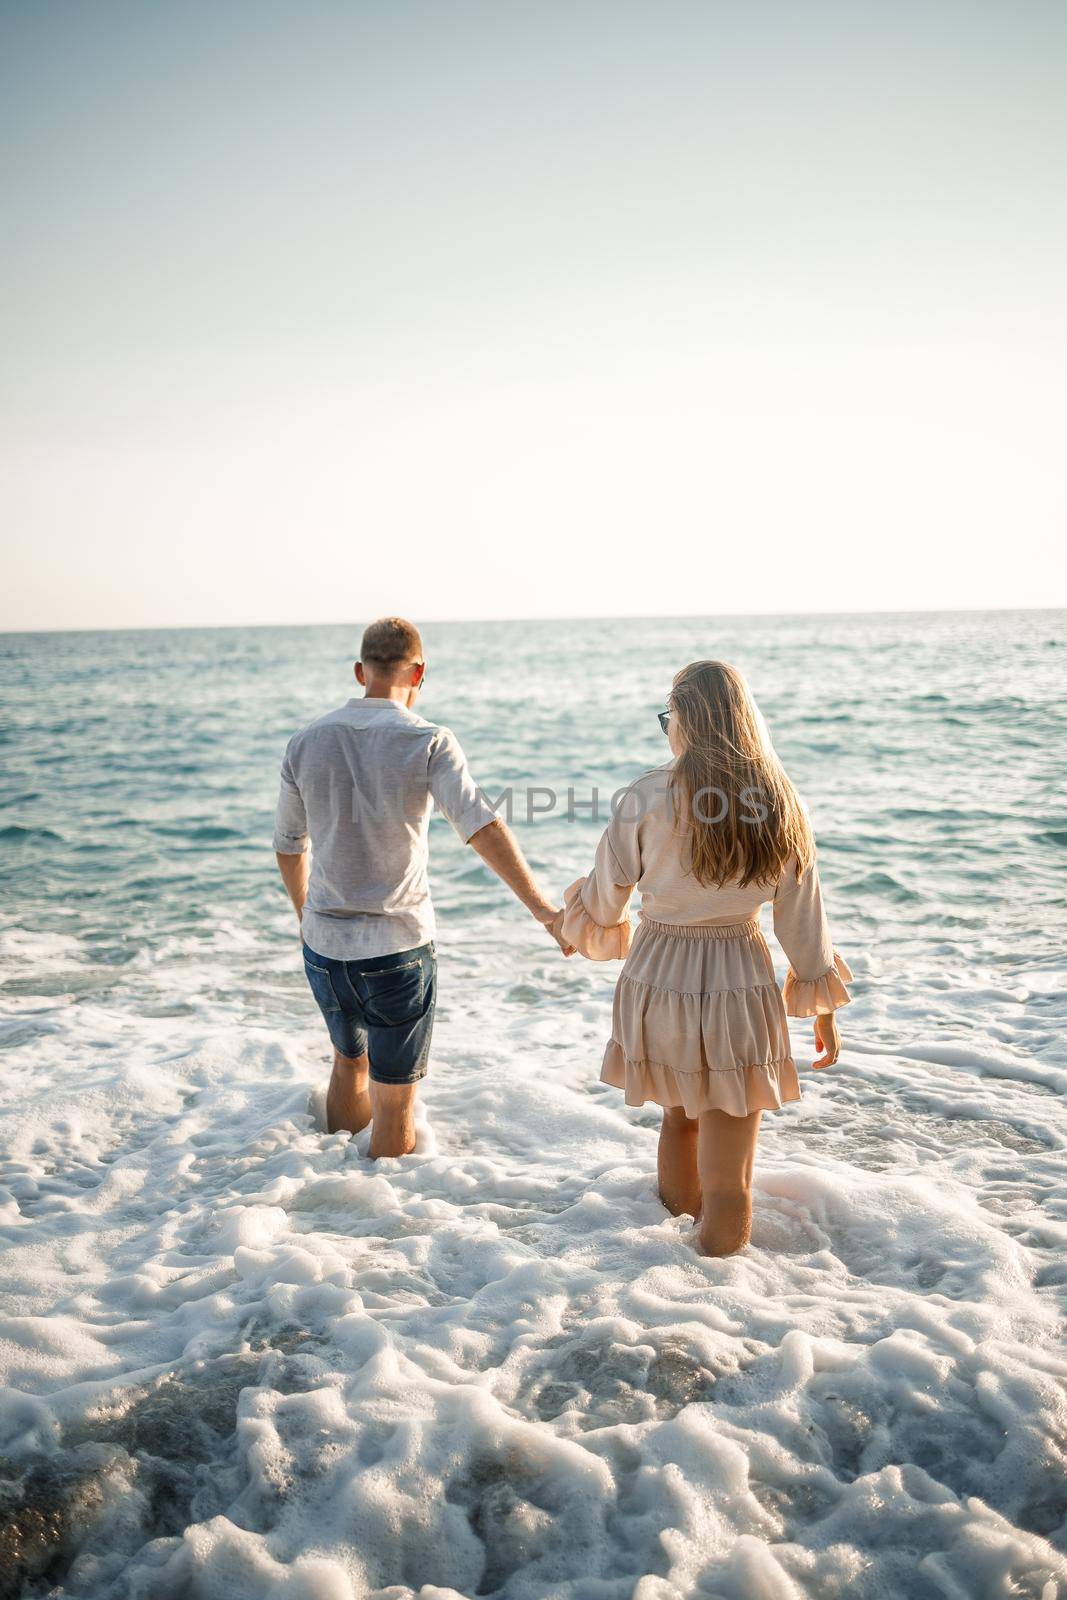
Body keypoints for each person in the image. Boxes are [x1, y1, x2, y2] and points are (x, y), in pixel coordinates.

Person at [560, 659, 852, 1258]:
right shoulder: (779, 802)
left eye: (670, 716)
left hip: (658, 972)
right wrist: (822, 1007)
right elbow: (802, 919)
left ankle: (669, 1284)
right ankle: (723, 1300)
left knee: (679, 1122)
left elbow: (606, 898)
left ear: (686, 721)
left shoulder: (645, 795)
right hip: (739, 977)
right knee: (731, 1173)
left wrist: (578, 923)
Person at [274, 616, 573, 1158]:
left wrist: (305, 917)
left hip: (324, 947)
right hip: (397, 947)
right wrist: (544, 911)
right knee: (395, 1103)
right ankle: (378, 1224)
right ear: (420, 673)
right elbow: (482, 826)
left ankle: (329, 1191)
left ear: (361, 671)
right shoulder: (428, 740)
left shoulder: (305, 742)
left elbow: (289, 846)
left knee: (347, 1062)